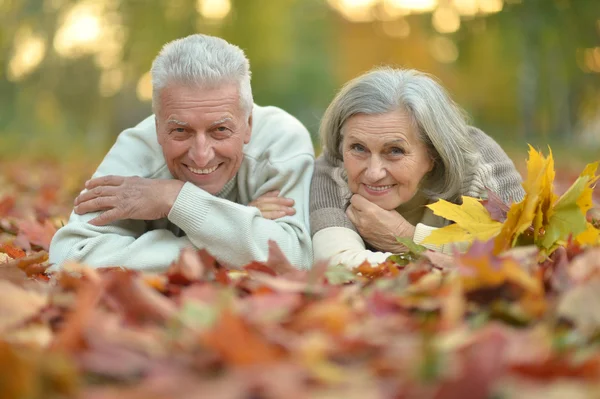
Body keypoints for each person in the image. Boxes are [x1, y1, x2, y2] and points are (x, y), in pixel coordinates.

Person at [49, 34, 314, 272]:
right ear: (157, 127)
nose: (201, 155)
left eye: (220, 129)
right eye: (180, 131)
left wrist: (173, 198)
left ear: (248, 126)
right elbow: (71, 256)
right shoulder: (137, 149)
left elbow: (294, 256)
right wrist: (237, 234)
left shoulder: (282, 141)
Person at [310, 67, 525, 268]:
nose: (374, 173)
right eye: (358, 148)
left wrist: (408, 238)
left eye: (395, 151)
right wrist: (450, 259)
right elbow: (339, 263)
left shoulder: (477, 159)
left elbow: (525, 248)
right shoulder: (333, 166)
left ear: (433, 152)